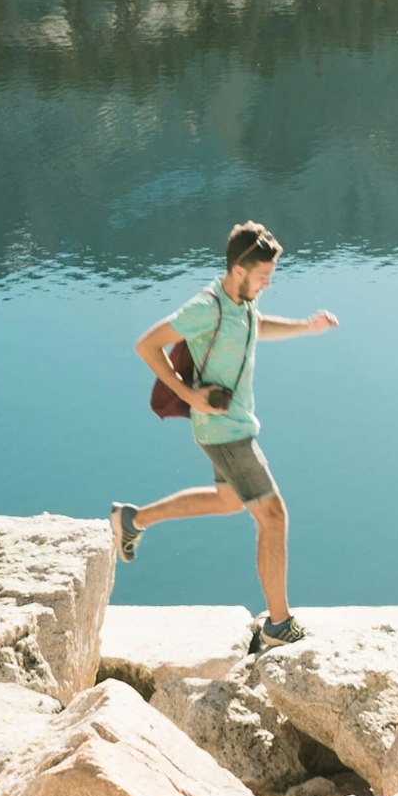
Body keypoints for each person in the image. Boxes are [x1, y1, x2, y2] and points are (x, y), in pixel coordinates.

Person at [113, 220, 341, 649]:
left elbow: (256, 327)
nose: (268, 284)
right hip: (224, 431)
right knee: (273, 517)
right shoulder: (206, 307)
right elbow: (147, 344)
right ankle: (278, 626)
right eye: (263, 277)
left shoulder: (243, 303)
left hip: (228, 427)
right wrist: (189, 396)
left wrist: (305, 327)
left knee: (228, 500)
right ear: (239, 269)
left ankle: (132, 519)